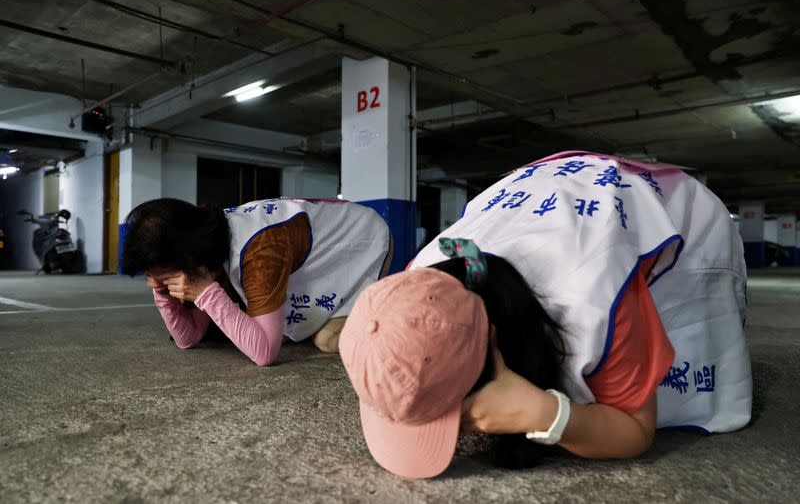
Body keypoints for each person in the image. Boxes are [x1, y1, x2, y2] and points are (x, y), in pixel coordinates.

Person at [339, 151, 751, 479]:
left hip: (679, 212)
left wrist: (549, 415)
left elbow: (636, 430)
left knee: (680, 366)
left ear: (496, 345)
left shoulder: (597, 294)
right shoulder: (423, 271)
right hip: (537, 191)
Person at [122, 197, 392, 366]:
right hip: (318, 243)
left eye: (167, 275)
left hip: (360, 241)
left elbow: (264, 353)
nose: (161, 281)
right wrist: (164, 295)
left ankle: (399, 312)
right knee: (285, 327)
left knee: (327, 340)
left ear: (193, 263)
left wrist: (206, 293)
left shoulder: (259, 251)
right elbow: (188, 338)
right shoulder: (207, 244)